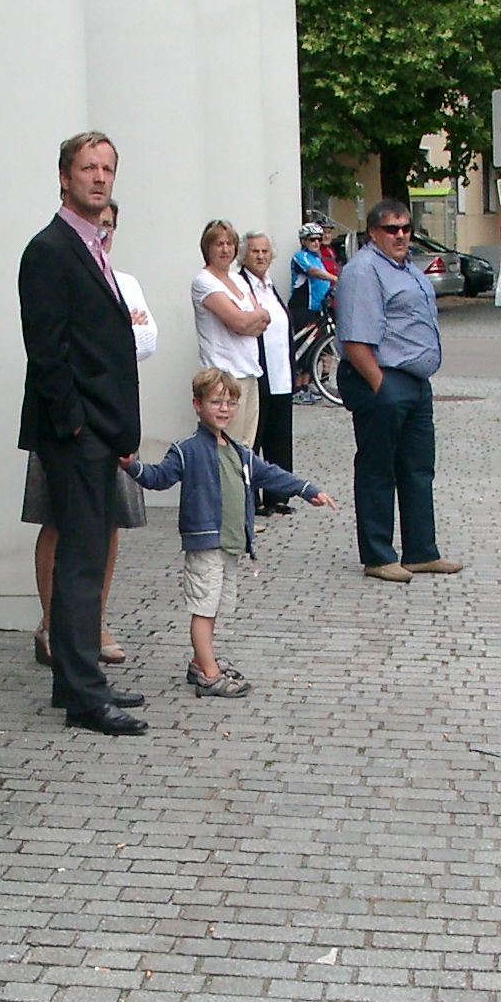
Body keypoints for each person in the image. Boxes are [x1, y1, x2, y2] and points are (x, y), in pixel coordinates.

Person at [17, 131, 149, 736]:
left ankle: (79, 680)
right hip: (74, 433)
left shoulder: (93, 245)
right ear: (64, 177)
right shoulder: (49, 250)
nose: (99, 177)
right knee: (79, 563)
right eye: (88, 168)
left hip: (99, 428)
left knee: (88, 558)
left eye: (107, 169)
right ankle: (83, 697)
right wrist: (75, 425)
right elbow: (47, 351)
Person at [126, 368, 333, 698]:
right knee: (203, 608)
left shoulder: (239, 451)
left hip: (231, 543)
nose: (224, 409)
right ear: (197, 404)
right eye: (215, 402)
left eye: (230, 402)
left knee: (214, 606)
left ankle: (201, 661)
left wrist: (306, 489)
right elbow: (159, 477)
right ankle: (210, 674)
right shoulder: (187, 449)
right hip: (206, 543)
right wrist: (132, 466)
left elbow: (270, 474)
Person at [334, 198, 463, 583]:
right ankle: (378, 556)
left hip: (414, 382)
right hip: (381, 379)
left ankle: (421, 552)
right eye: (392, 229)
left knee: (418, 469)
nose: (401, 235)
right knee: (378, 470)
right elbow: (354, 339)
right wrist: (380, 385)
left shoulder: (407, 269)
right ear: (373, 233)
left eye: (407, 228)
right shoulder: (363, 270)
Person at [191, 220, 266, 449]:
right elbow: (238, 321)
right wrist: (249, 320)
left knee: (246, 446)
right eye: (219, 244)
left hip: (249, 370)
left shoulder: (237, 279)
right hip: (223, 375)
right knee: (225, 446)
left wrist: (249, 320)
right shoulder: (204, 281)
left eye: (229, 244)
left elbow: (263, 319)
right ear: (207, 248)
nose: (225, 249)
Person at [237, 230, 294, 514]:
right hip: (258, 372)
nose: (260, 256)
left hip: (281, 372)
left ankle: (278, 494)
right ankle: (252, 497)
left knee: (279, 437)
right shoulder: (241, 285)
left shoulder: (270, 286)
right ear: (244, 256)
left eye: (265, 251)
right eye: (255, 251)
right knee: (254, 437)